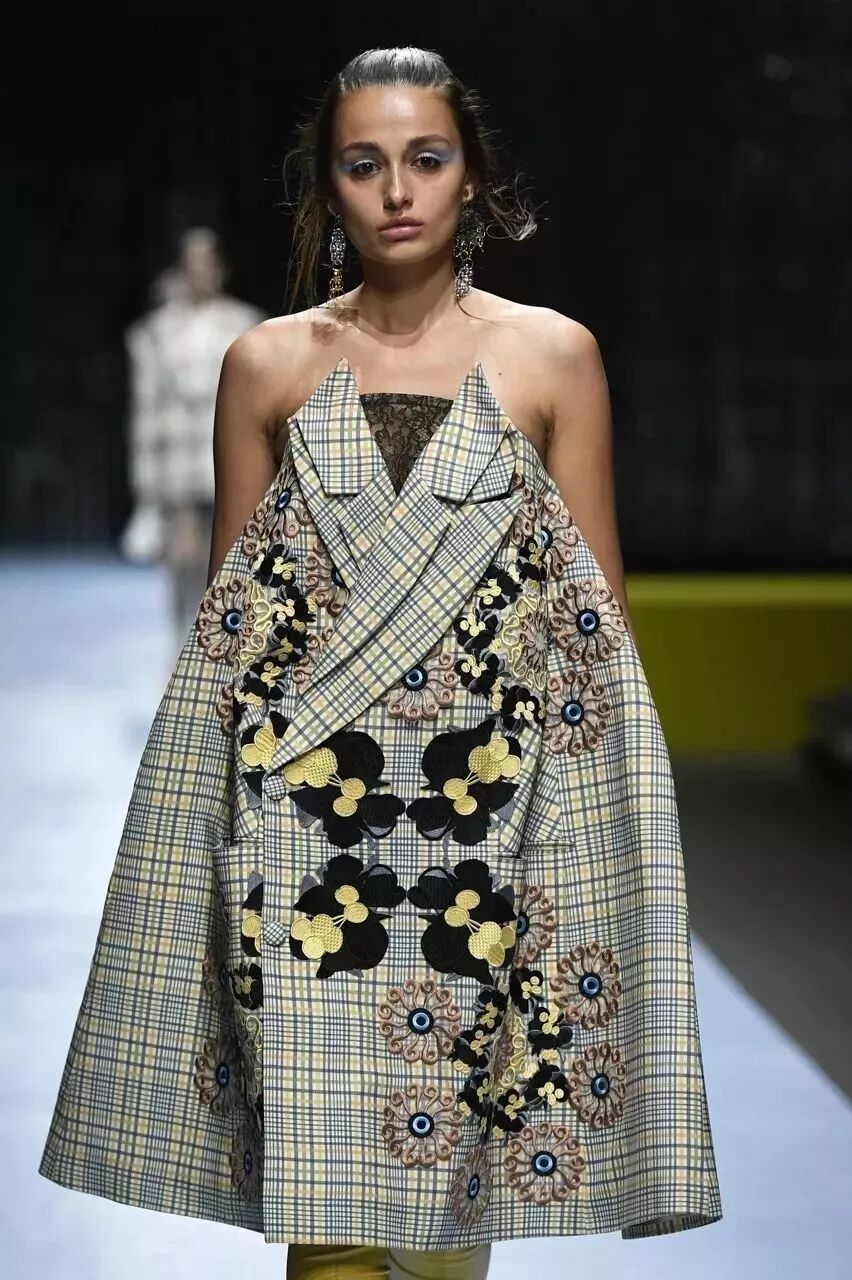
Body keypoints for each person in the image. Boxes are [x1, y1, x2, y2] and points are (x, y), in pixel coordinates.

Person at [39, 46, 722, 1280]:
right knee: (332, 1199)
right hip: (315, 821)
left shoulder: (552, 356)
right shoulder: (269, 364)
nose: (398, 191)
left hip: (482, 819)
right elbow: (233, 638)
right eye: (364, 164)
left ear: (473, 176)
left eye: (427, 158)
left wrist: (593, 842)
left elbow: (595, 637)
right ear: (327, 188)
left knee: (447, 1195)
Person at [121, 226, 265, 648]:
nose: (200, 272)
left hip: (229, 459)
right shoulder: (154, 333)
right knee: (182, 557)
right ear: (180, 270)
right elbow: (145, 413)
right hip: (178, 464)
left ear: (221, 269)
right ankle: (181, 642)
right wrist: (145, 491)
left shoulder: (246, 326)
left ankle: (217, 647)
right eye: (192, 265)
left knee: (226, 558)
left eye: (207, 263)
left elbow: (260, 405)